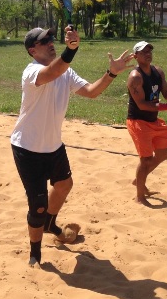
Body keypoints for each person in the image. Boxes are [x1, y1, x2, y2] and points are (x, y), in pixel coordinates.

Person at [11, 26, 135, 266]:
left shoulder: (65, 72)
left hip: (53, 146)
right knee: (37, 206)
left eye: (50, 38)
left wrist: (111, 73)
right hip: (27, 149)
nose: (50, 42)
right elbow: (51, 73)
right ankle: (35, 254)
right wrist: (71, 50)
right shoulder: (32, 72)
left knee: (64, 185)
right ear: (32, 50)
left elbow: (91, 92)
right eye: (43, 40)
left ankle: (49, 223)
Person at [125, 41, 167, 207]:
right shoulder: (135, 77)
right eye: (144, 52)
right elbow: (142, 104)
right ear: (136, 56)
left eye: (149, 50)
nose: (148, 53)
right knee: (145, 160)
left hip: (153, 120)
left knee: (162, 154)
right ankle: (139, 196)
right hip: (138, 121)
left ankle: (138, 180)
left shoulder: (157, 71)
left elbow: (166, 94)